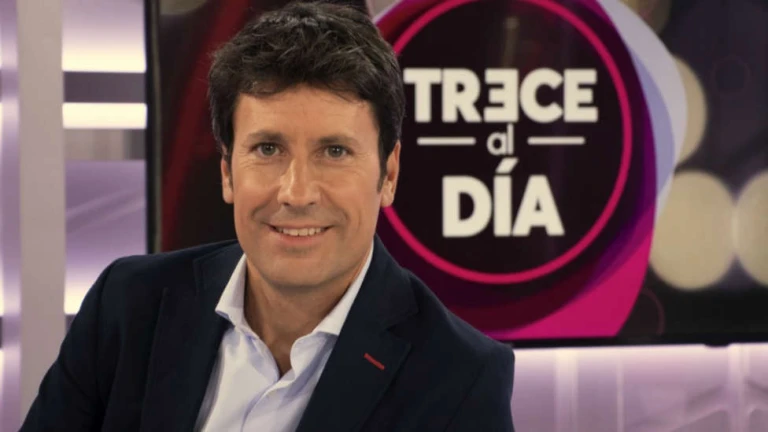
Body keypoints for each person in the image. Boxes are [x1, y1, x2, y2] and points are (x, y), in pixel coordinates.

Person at [21, 2, 515, 431]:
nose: (296, 192)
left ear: (388, 174)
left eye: (335, 151)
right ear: (227, 172)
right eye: (268, 148)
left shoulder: (460, 377)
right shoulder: (126, 306)